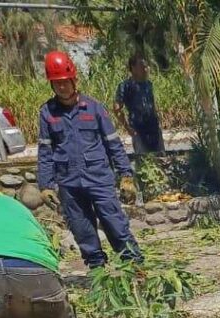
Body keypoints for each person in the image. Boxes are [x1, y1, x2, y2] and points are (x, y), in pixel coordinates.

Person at [38, 50, 142, 271]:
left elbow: (113, 143)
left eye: (65, 82)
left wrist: (125, 175)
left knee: (115, 224)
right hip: (69, 184)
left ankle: (136, 270)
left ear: (74, 80)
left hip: (99, 179)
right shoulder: (47, 113)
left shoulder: (94, 108)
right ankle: (99, 276)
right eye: (56, 84)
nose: (61, 87)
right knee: (82, 230)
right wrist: (46, 186)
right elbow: (45, 152)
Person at [114, 54, 164, 155]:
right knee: (144, 164)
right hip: (138, 131)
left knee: (161, 161)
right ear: (133, 68)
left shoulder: (148, 84)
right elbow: (117, 109)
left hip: (154, 129)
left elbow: (152, 105)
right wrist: (128, 128)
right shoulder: (125, 86)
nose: (146, 69)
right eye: (143, 66)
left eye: (147, 66)